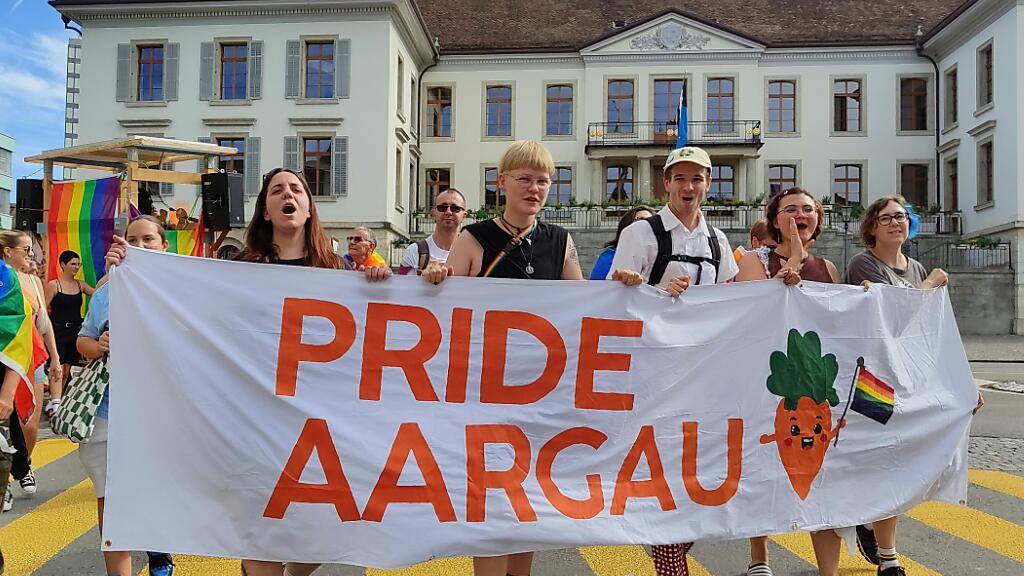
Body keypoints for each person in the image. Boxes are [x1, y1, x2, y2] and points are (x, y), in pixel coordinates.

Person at [105, 168, 386, 576]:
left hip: (323, 425)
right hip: (259, 422)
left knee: (327, 529)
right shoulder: (242, 268)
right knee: (263, 531)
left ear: (309, 207)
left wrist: (381, 283)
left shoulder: (340, 271)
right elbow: (190, 316)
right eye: (277, 190)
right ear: (267, 211)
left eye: (296, 189)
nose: (287, 194)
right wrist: (132, 270)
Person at [423, 140, 583, 576]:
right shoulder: (475, 237)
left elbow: (584, 307)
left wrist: (623, 285)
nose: (534, 188)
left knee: (525, 495)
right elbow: (443, 305)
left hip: (538, 393)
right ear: (503, 184)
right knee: (491, 497)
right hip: (486, 389)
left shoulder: (560, 241)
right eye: (525, 179)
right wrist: (435, 278)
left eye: (543, 181)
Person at [604, 146, 738, 576]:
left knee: (708, 473)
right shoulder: (641, 235)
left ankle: (672, 553)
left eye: (697, 179)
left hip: (705, 375)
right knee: (664, 474)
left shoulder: (718, 241)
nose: (688, 187)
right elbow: (615, 303)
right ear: (666, 183)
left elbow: (736, 299)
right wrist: (651, 291)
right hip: (653, 378)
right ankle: (670, 564)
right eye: (680, 178)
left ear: (708, 184)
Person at [840, 196, 951, 576]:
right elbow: (891, 322)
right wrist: (931, 285)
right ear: (871, 227)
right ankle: (882, 545)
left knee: (900, 462)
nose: (894, 223)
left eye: (901, 217)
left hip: (907, 378)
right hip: (873, 380)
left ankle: (878, 535)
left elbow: (927, 332)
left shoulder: (914, 266)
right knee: (878, 460)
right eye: (885, 218)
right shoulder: (863, 264)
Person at [735, 188, 839, 576]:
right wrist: (792, 256)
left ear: (819, 218)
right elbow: (755, 310)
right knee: (762, 469)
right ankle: (760, 558)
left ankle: (828, 569)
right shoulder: (752, 260)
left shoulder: (827, 268)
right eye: (790, 209)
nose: (800, 215)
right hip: (764, 379)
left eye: (808, 210)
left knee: (824, 476)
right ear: (775, 218)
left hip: (813, 385)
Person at [78, 216, 176, 576]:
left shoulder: (184, 289)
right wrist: (99, 345)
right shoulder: (105, 291)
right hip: (107, 412)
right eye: (132, 238)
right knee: (109, 501)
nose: (139, 244)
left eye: (148, 239)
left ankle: (160, 556)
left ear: (164, 246)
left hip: (161, 414)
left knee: (156, 493)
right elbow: (82, 340)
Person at [0, 230, 62, 508]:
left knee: (29, 424)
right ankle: (9, 480)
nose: (30, 256)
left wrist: (56, 358)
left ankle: (22, 464)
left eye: (30, 250)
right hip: (9, 360)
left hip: (27, 358)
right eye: (25, 250)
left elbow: (42, 324)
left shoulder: (29, 282)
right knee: (7, 422)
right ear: (7, 251)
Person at [44, 250, 96, 417]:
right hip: (57, 330)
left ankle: (60, 399)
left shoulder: (80, 284)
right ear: (63, 265)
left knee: (68, 369)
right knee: (57, 366)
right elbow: (42, 309)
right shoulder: (54, 285)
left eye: (78, 264)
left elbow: (98, 294)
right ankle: (55, 402)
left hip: (76, 330)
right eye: (73, 264)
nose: (76, 267)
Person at [397, 188, 467, 275]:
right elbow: (401, 286)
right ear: (433, 213)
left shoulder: (472, 253)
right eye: (442, 207)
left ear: (464, 215)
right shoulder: (414, 251)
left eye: (455, 208)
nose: (448, 212)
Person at [589, 205, 654, 280]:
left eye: (652, 222)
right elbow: (598, 287)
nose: (647, 226)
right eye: (640, 220)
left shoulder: (657, 260)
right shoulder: (610, 257)